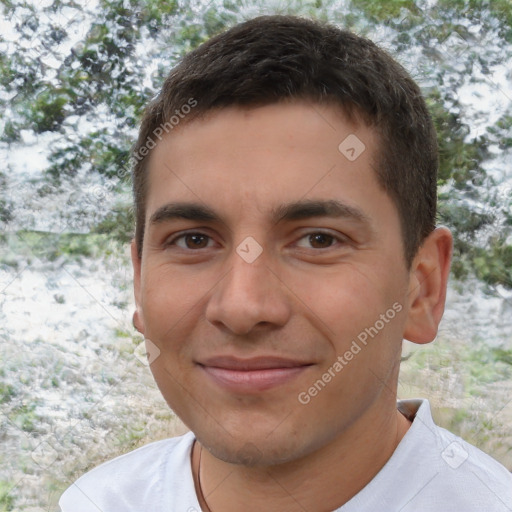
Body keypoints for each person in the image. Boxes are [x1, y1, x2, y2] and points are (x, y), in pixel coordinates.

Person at [59, 14, 512, 512]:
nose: (242, 306)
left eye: (319, 240)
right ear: (141, 279)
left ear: (422, 289)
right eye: (192, 241)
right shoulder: (95, 502)